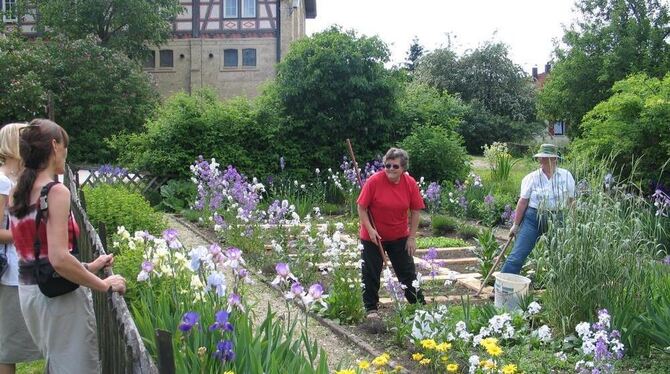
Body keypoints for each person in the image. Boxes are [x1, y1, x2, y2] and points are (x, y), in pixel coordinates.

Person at [9, 119, 126, 373]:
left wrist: (89, 266)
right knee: (76, 367)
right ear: (54, 145)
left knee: (57, 362)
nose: (65, 152)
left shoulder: (19, 190)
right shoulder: (55, 192)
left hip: (30, 293)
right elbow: (59, 259)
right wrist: (104, 285)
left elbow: (39, 255)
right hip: (58, 300)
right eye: (65, 146)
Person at [357, 147, 425, 318]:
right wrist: (370, 229)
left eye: (395, 166)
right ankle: (371, 308)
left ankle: (419, 304)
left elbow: (416, 211)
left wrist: (411, 237)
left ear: (403, 168)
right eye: (387, 166)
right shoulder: (374, 181)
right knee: (371, 272)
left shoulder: (410, 184)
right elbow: (362, 207)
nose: (390, 169)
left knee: (407, 272)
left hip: (399, 235)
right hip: (373, 237)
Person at [0, 123, 42, 374]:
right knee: (7, 347)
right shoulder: (3, 182)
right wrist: (28, 233)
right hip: (9, 275)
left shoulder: (14, 180)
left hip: (21, 271)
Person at [501, 143, 575, 274]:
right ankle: (503, 288)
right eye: (540, 157)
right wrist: (516, 225)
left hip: (557, 218)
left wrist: (574, 223)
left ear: (554, 159)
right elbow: (522, 202)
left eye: (545, 157)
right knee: (517, 256)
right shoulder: (531, 177)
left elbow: (571, 201)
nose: (541, 160)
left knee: (559, 257)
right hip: (532, 219)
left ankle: (556, 291)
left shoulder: (566, 176)